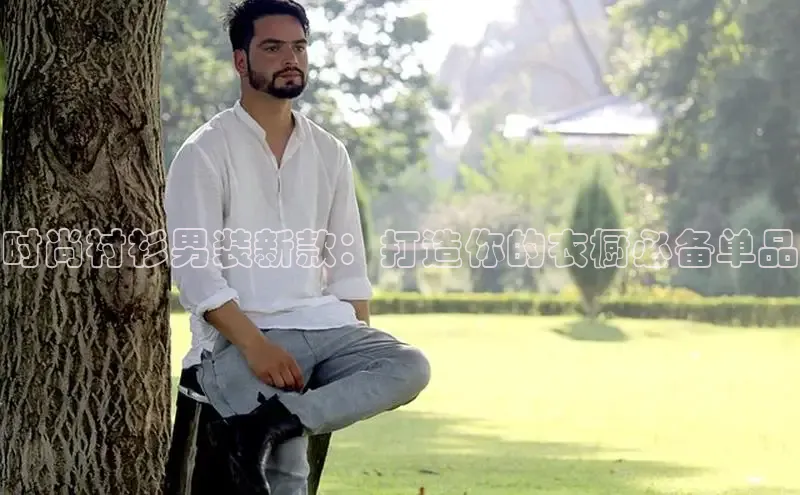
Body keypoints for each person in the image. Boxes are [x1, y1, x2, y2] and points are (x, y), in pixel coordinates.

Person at [161, 0, 432, 493]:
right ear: (240, 61)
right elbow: (197, 276)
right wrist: (257, 347)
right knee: (287, 472)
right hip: (243, 340)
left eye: (299, 47)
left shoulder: (329, 152)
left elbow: (348, 268)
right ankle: (278, 423)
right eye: (272, 48)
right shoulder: (204, 152)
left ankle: (277, 420)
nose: (291, 58)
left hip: (326, 329)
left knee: (410, 365)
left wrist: (353, 354)